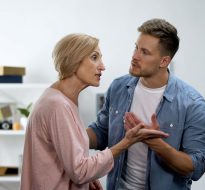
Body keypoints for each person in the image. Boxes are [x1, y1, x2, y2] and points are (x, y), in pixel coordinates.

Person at [20, 33, 168, 190]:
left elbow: (66, 158)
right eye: (94, 57)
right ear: (73, 61)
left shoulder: (61, 99)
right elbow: (80, 170)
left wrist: (85, 180)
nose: (102, 66)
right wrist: (127, 141)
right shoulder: (58, 106)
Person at [87, 18, 205, 190]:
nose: (135, 56)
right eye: (136, 47)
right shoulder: (118, 87)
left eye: (145, 52)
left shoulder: (193, 104)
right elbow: (100, 132)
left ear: (164, 61)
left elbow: (197, 167)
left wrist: (155, 144)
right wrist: (69, 136)